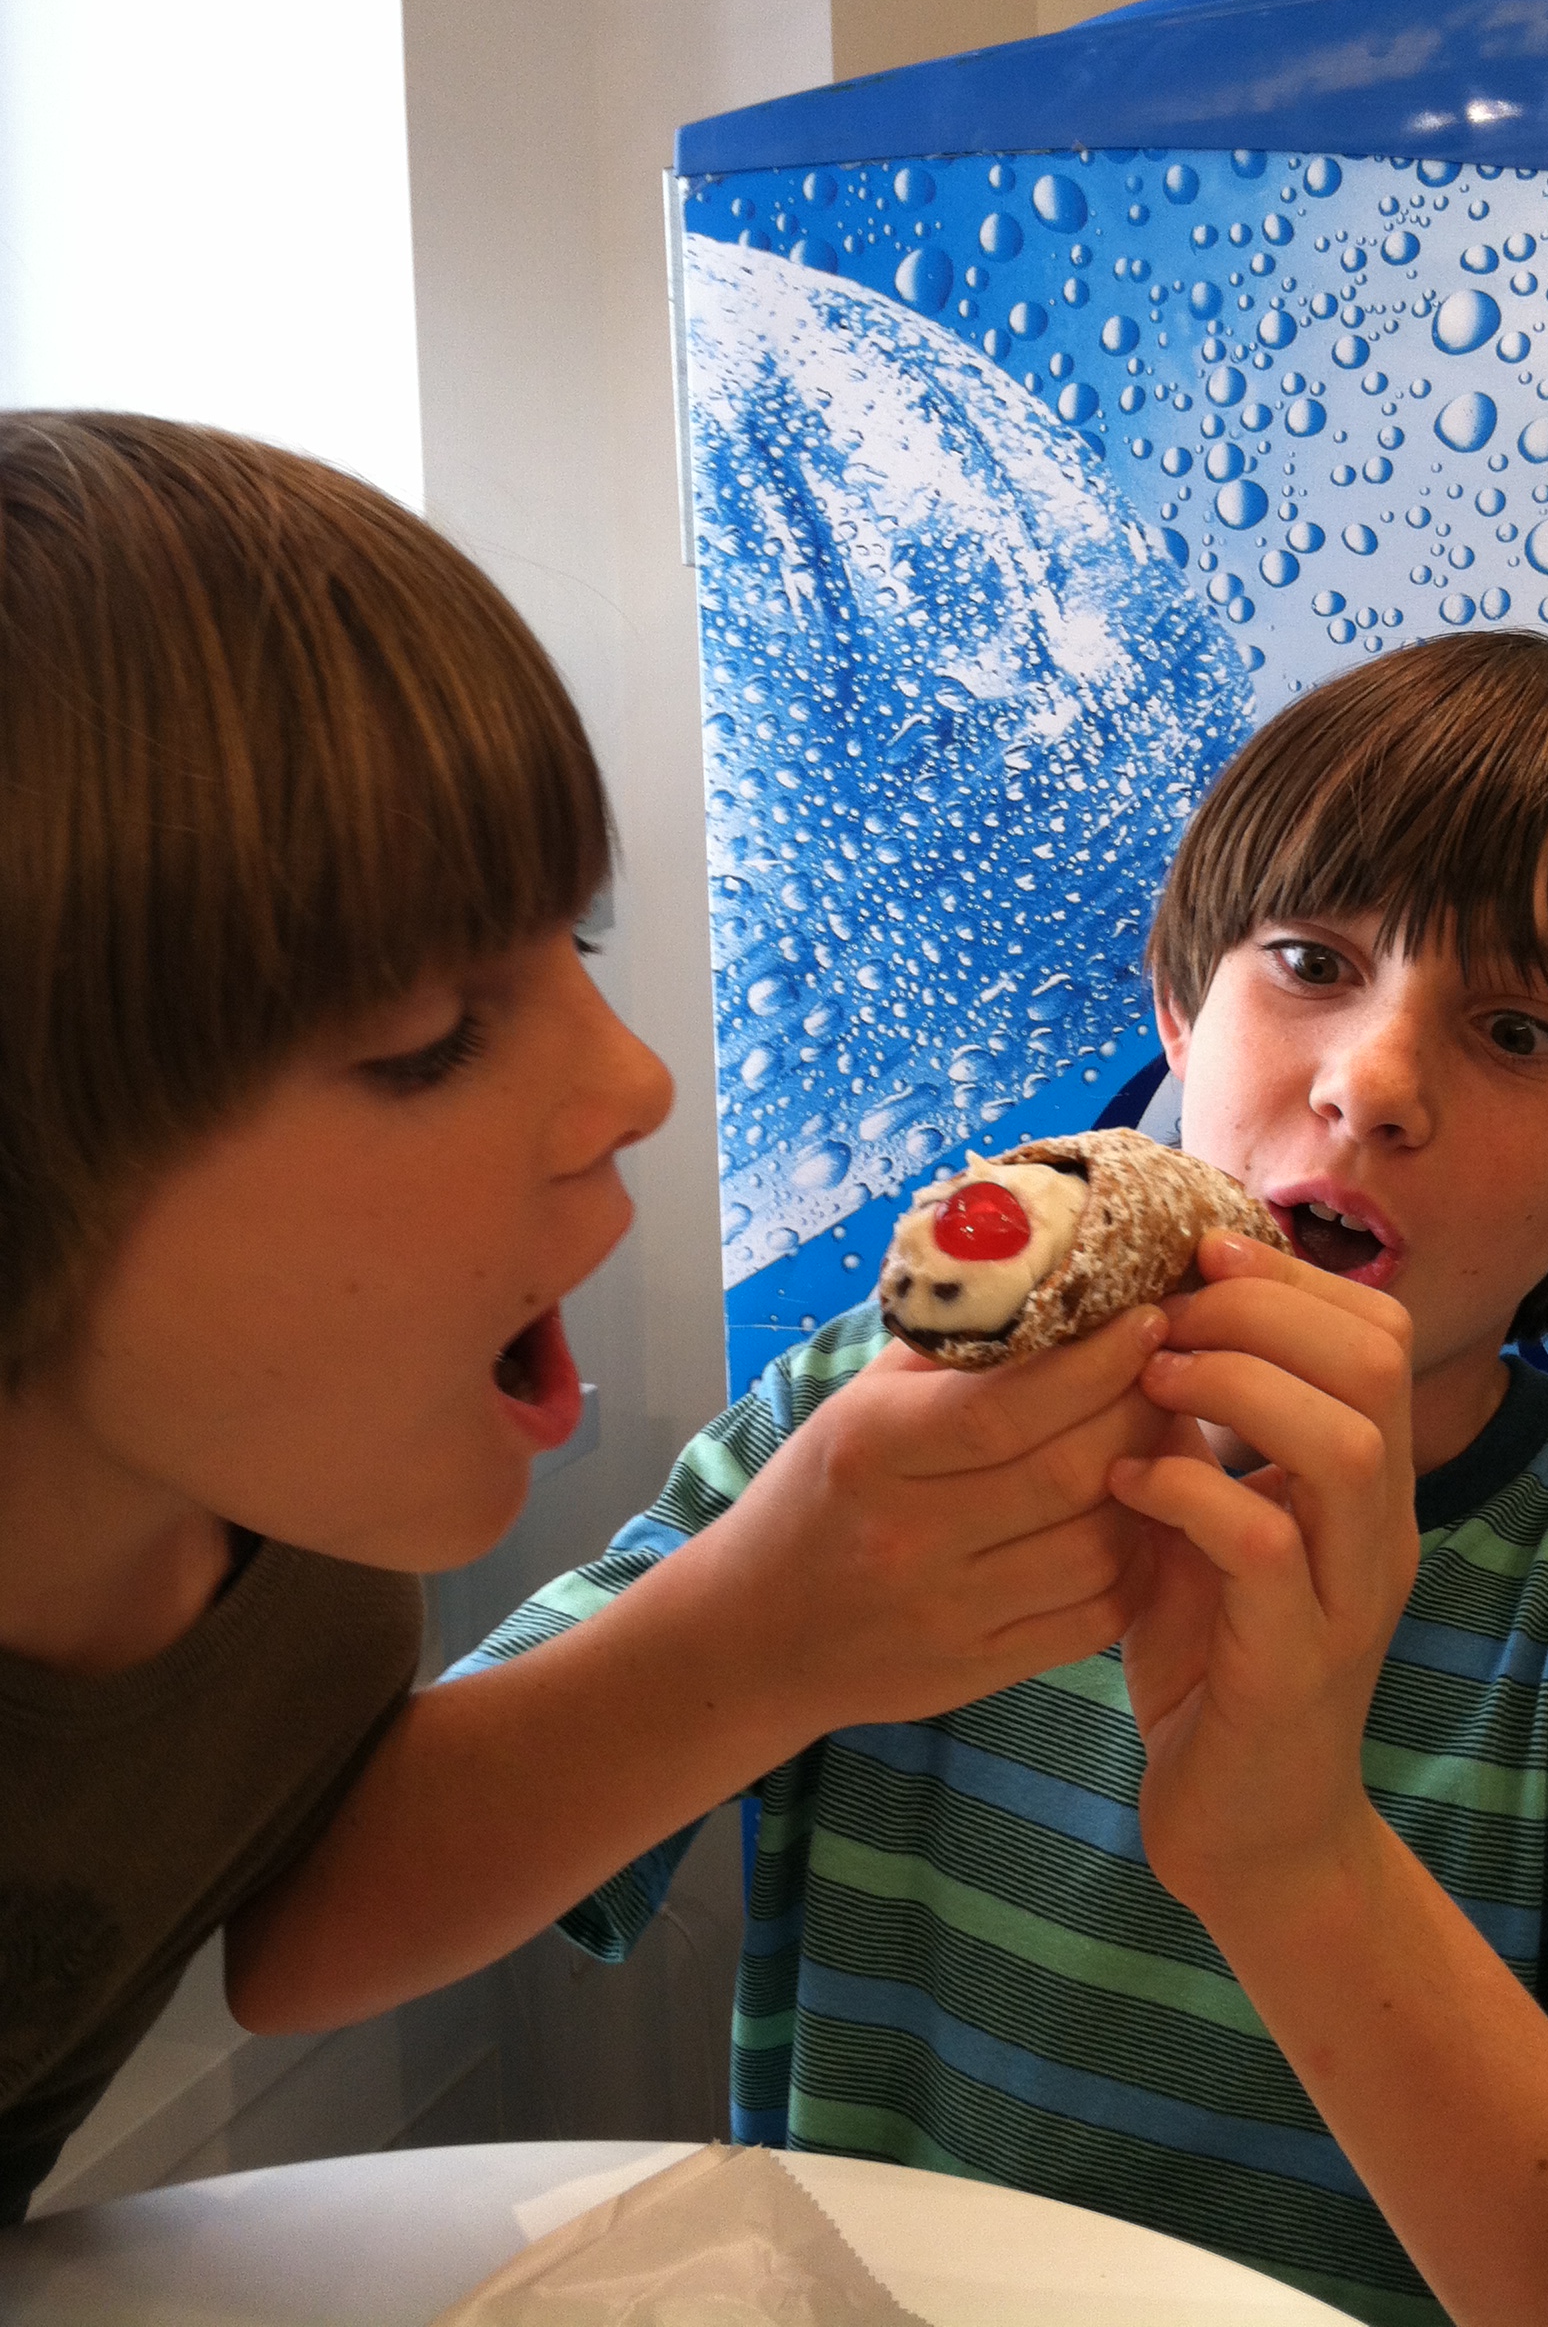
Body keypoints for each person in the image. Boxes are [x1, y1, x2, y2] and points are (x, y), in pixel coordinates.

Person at [232, 633, 1548, 2327]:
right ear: (1180, 1005)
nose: (1371, 1084)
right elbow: (306, 1936)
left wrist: (1295, 1856)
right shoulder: (879, 1424)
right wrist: (765, 1631)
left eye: (1520, 1032)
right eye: (1309, 960)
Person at [0, 412, 1155, 2224]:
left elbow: (305, 1924)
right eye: (425, 1034)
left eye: (579, 946)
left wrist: (782, 1635)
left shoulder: (298, 1593)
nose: (636, 1083)